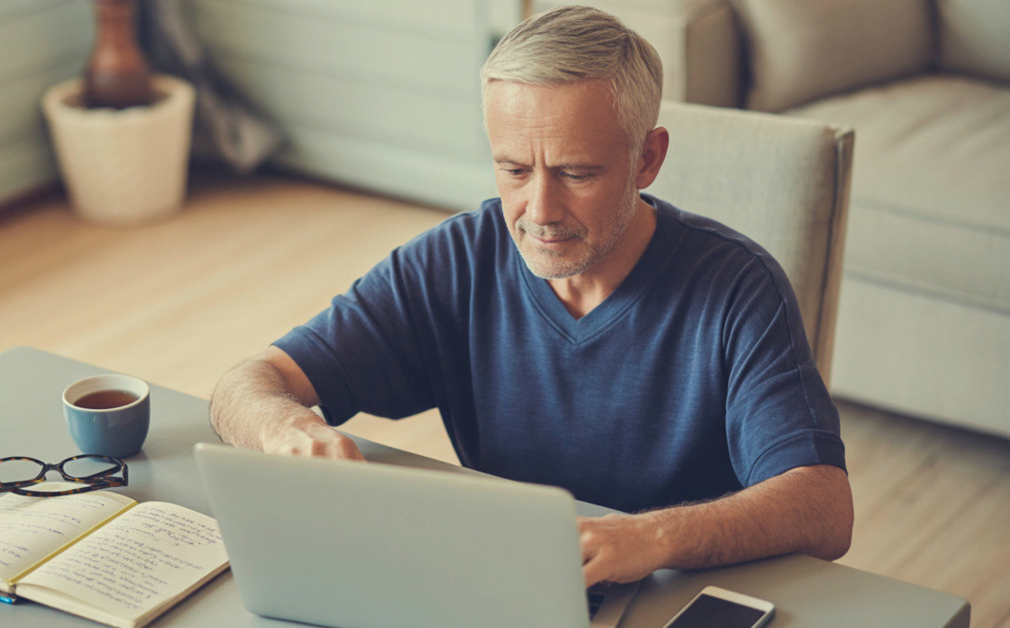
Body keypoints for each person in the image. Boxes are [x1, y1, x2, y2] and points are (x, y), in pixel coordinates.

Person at [210, 5, 853, 587]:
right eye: (514, 169)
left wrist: (651, 538)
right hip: (501, 586)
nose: (538, 211)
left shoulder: (739, 288)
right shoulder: (455, 260)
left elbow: (824, 505)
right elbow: (247, 382)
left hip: (673, 591)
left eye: (577, 173)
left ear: (647, 159)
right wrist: (286, 426)